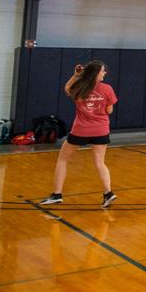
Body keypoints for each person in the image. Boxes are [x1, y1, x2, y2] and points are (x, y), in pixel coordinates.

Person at [39, 61, 117, 208]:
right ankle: (108, 193)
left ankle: (57, 194)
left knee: (63, 160)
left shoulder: (79, 88)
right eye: (102, 71)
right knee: (100, 162)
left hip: (81, 130)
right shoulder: (107, 89)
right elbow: (109, 111)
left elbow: (67, 88)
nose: (104, 73)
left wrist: (75, 76)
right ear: (95, 74)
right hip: (101, 130)